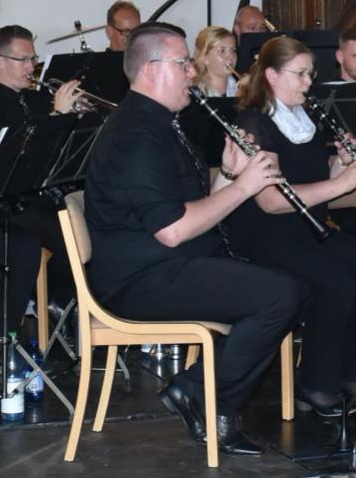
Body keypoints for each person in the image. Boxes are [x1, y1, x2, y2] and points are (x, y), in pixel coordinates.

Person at [83, 23, 306, 456]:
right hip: (141, 279)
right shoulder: (135, 135)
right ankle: (203, 394)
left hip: (170, 262)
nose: (192, 71)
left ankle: (200, 391)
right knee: (279, 296)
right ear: (151, 69)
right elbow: (173, 230)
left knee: (297, 284)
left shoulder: (157, 123)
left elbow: (189, 207)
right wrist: (245, 188)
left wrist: (231, 174)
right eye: (183, 63)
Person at [226, 36, 356, 418]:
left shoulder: (306, 118)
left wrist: (343, 164)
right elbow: (272, 201)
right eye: (300, 74)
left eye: (311, 74)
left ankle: (351, 376)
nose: (309, 82)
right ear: (272, 75)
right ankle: (315, 385)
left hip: (306, 228)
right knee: (335, 281)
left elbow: (314, 180)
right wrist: (341, 183)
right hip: (264, 234)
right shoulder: (254, 123)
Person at [0, 24, 86, 333]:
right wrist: (57, 117)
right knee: (73, 237)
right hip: (9, 202)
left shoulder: (36, 99)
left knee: (100, 223)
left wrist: (78, 119)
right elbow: (15, 159)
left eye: (33, 58)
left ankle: (62, 300)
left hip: (45, 195)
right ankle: (58, 303)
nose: (32, 67)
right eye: (23, 60)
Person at [192, 25, 239, 97]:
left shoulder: (238, 89)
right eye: (222, 51)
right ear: (204, 57)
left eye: (233, 50)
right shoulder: (195, 94)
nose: (231, 56)